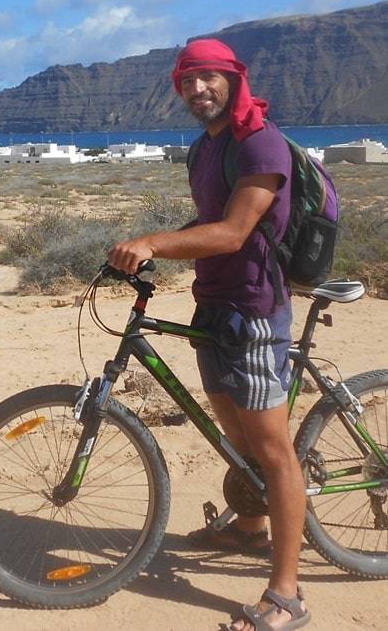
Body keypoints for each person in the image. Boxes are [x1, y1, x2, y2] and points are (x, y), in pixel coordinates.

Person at [107, 38, 310, 630]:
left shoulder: (261, 144)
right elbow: (206, 223)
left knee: (273, 451)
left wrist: (153, 243)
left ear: (232, 78)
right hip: (213, 304)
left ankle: (287, 595)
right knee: (237, 436)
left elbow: (236, 231)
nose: (197, 90)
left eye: (207, 78)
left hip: (254, 308)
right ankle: (249, 530)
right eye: (186, 82)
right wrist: (152, 248)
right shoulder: (205, 149)